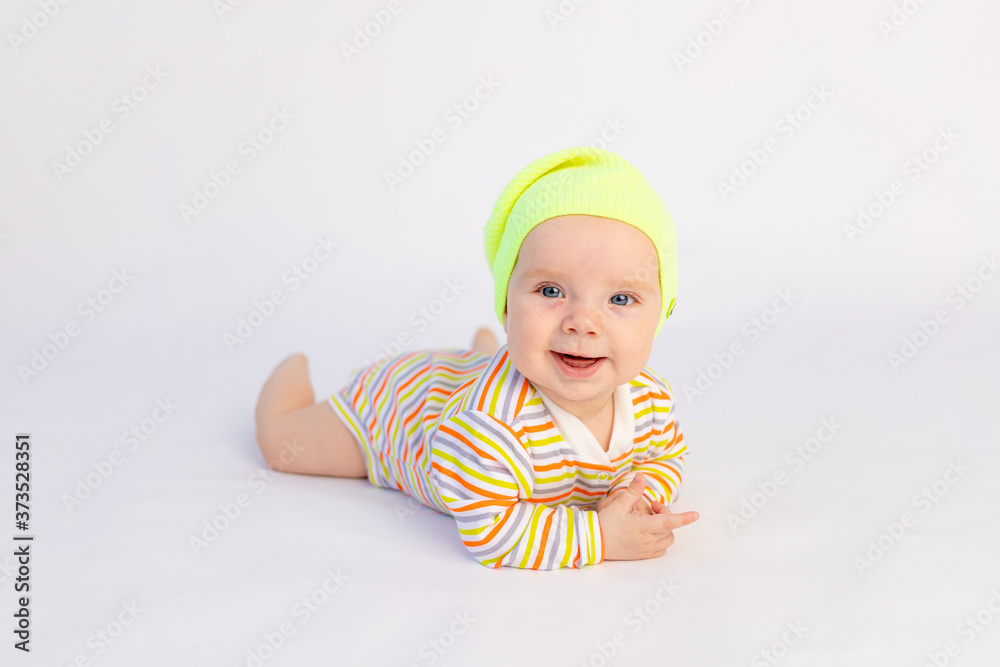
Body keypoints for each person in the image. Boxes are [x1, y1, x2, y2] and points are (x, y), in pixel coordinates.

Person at [254, 146, 699, 570]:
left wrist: (633, 495)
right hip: (397, 407)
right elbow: (491, 531)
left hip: (472, 375)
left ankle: (484, 352)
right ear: (506, 305)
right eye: (550, 291)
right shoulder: (487, 428)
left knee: (511, 360)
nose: (583, 323)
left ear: (662, 315)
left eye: (620, 298)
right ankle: (287, 384)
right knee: (284, 449)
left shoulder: (650, 398)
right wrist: (600, 535)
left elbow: (664, 457)